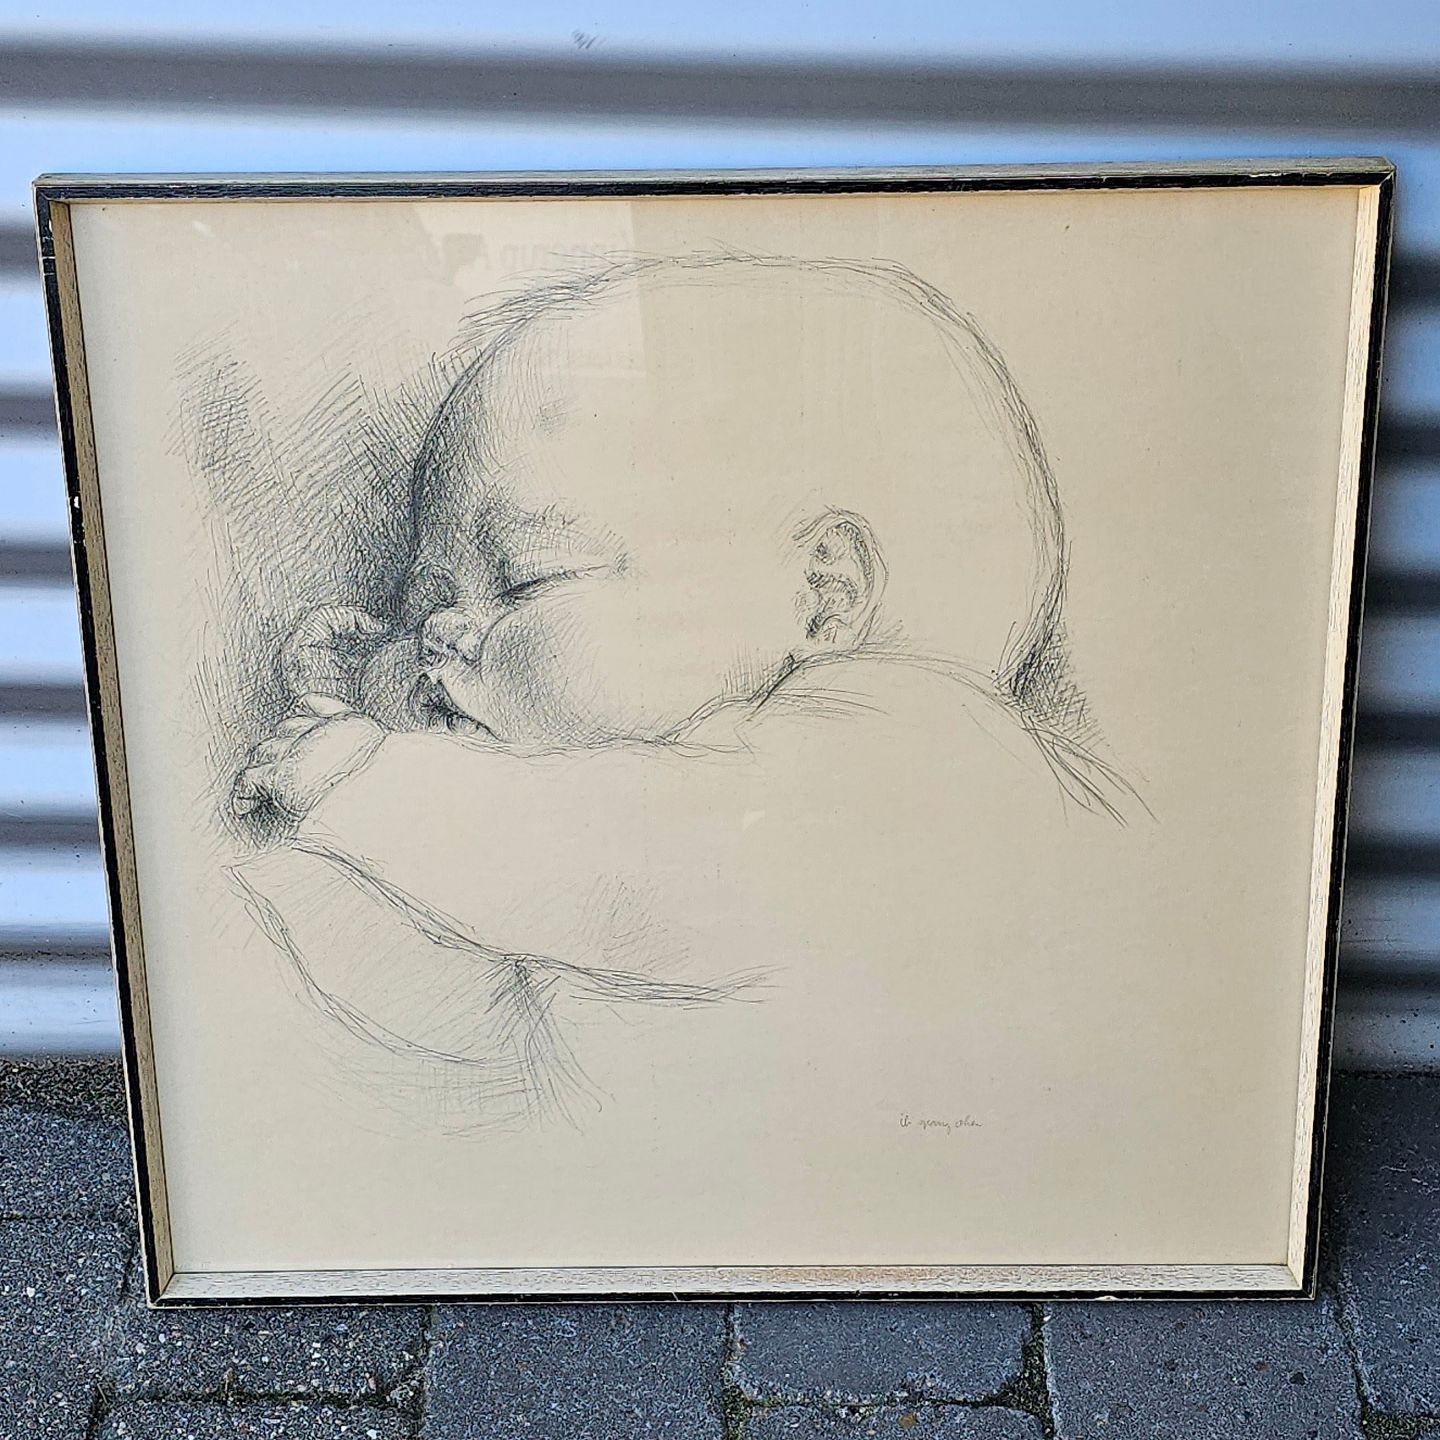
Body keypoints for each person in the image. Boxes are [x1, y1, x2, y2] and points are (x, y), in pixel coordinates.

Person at [230, 252, 1131, 1130]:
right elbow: (448, 991)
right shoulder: (606, 851)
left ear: (824, 596)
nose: (443, 633)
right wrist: (366, 688)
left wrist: (361, 778)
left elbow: (603, 858)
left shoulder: (919, 753)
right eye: (430, 603)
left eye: (528, 579)